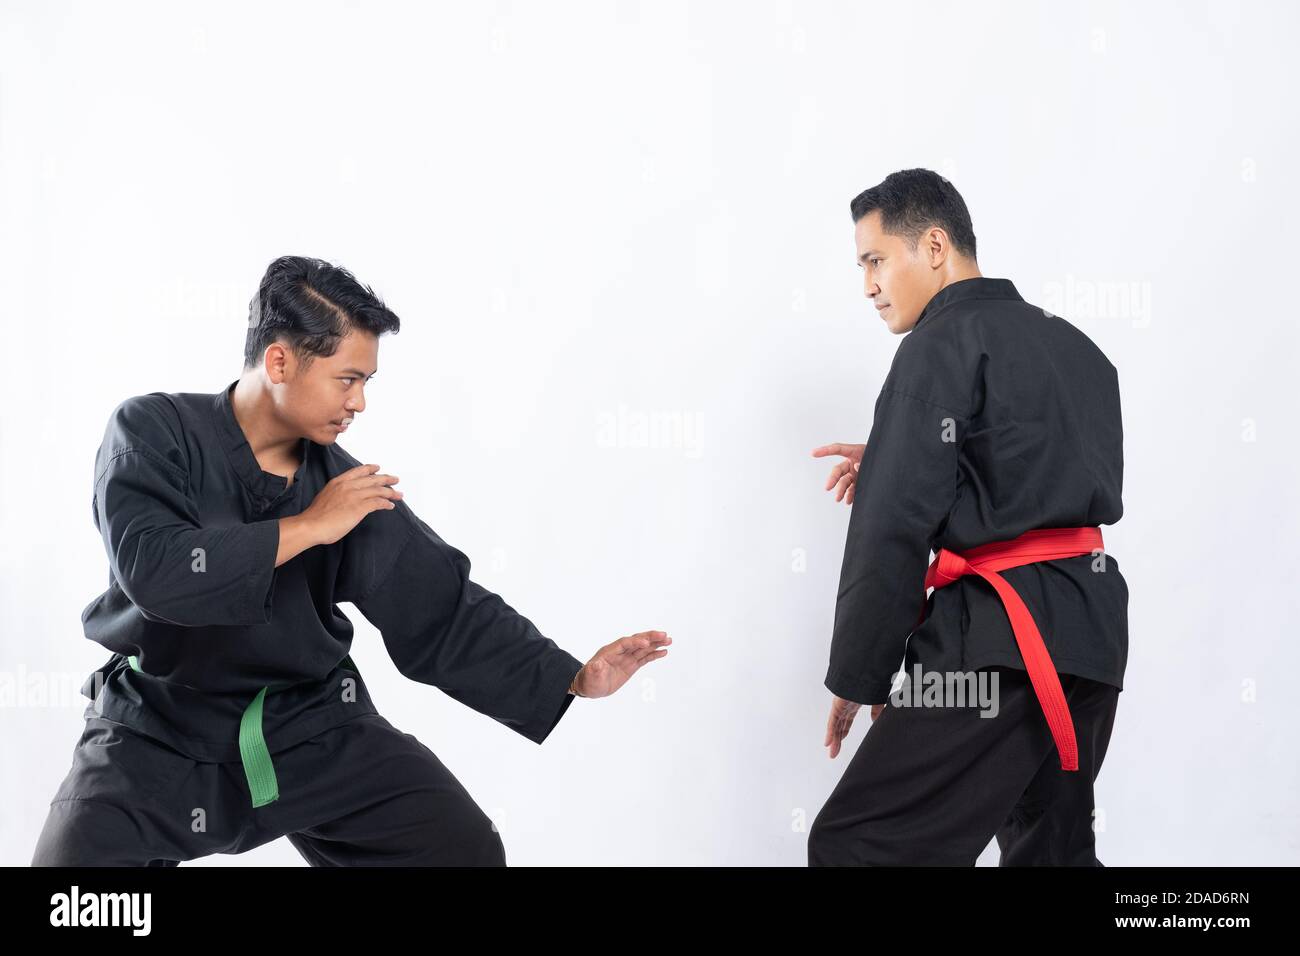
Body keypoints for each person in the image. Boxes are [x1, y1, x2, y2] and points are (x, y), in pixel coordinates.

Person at [32, 255, 670, 867]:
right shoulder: (152, 430)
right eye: (348, 379)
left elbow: (441, 608)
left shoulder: (346, 488)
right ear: (279, 361)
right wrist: (309, 526)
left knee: (460, 849)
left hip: (308, 726)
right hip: (156, 728)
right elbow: (158, 571)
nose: (359, 402)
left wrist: (568, 678)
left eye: (365, 382)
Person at [806, 169, 1127, 866]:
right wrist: (906, 449)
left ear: (934, 246)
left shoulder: (936, 345)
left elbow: (891, 529)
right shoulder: (1079, 349)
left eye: (874, 259)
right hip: (1092, 640)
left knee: (856, 846)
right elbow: (1039, 472)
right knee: (1054, 854)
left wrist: (857, 680)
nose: (867, 285)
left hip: (996, 643)